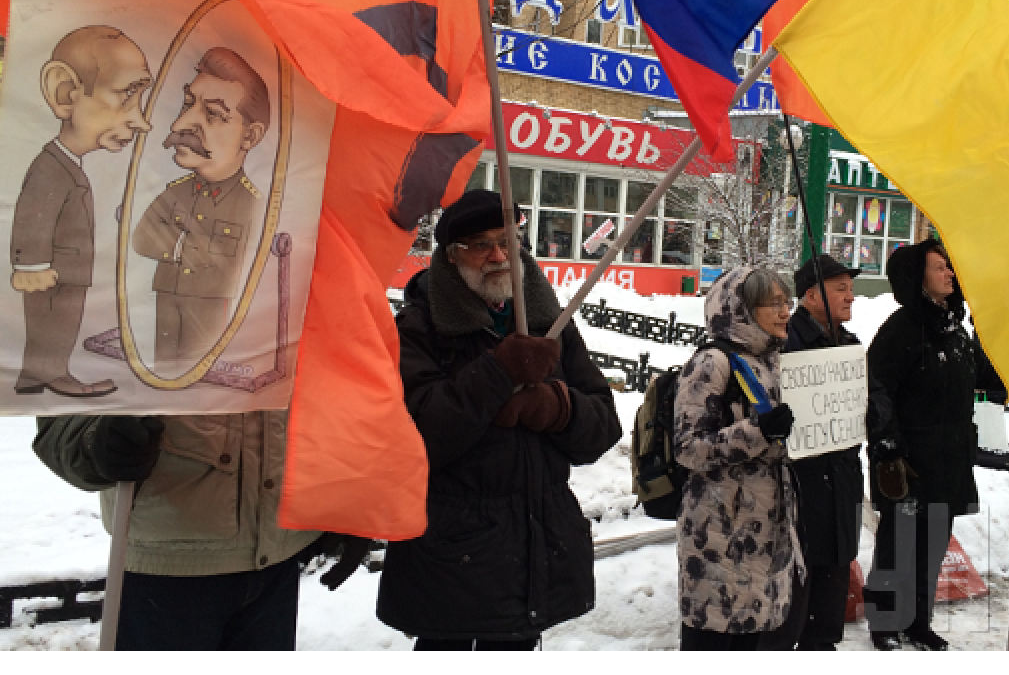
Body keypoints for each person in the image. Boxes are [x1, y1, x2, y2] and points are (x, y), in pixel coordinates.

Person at [378, 189, 621, 650]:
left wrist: (558, 408)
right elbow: (415, 436)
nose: (498, 255)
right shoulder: (420, 326)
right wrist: (498, 371)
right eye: (480, 244)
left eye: (508, 241)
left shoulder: (552, 322)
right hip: (453, 562)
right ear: (451, 257)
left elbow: (604, 427)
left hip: (533, 553)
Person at [32, 409, 365, 649]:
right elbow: (60, 405)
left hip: (278, 561)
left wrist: (345, 502)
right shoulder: (115, 307)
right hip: (168, 572)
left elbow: (342, 394)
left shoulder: (306, 308)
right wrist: (95, 444)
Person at [758, 254, 895, 651]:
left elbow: (877, 399)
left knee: (829, 598)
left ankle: (822, 643)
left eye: (851, 289)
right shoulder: (783, 343)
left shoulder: (850, 345)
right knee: (793, 600)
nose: (851, 297)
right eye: (842, 289)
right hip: (801, 488)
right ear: (812, 296)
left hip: (843, 486)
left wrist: (870, 412)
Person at [12, 26, 152, 398]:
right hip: (53, 274)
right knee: (53, 326)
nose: (142, 122)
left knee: (60, 326)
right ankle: (48, 374)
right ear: (65, 92)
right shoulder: (50, 167)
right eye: (127, 95)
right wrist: (30, 266)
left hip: (66, 271)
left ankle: (39, 374)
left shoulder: (68, 166)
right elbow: (33, 214)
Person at [674, 266, 802, 651]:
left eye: (787, 302)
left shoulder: (773, 360)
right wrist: (758, 432)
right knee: (715, 643)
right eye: (774, 303)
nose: (785, 312)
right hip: (719, 536)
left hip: (765, 532)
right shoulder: (712, 363)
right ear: (742, 308)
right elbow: (688, 447)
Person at [863, 239, 977, 651]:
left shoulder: (955, 329)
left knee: (931, 547)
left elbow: (985, 377)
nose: (950, 273)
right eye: (940, 268)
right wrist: (887, 447)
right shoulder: (901, 330)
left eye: (950, 267)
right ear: (918, 277)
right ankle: (885, 622)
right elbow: (876, 391)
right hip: (909, 462)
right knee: (899, 544)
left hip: (949, 461)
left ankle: (918, 622)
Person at [132, 47, 268, 366]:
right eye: (188, 104)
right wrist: (185, 247)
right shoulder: (175, 193)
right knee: (163, 371)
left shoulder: (255, 205)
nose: (182, 124)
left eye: (214, 114)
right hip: (167, 294)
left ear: (250, 135)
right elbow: (140, 238)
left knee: (199, 374)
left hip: (211, 304)